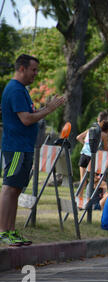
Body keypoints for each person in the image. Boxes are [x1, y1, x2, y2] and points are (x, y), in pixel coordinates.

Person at [0, 54, 65, 246]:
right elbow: (26, 119)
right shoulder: (15, 90)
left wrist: (44, 108)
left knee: (17, 189)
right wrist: (49, 109)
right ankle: (3, 231)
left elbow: (31, 114)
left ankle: (11, 230)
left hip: (24, 147)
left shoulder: (22, 90)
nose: (35, 74)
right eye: (33, 69)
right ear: (21, 68)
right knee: (9, 187)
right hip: (16, 148)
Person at [76, 116, 108, 198]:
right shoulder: (103, 135)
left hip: (84, 154)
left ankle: (79, 198)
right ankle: (91, 198)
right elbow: (105, 149)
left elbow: (78, 137)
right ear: (107, 129)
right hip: (92, 157)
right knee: (95, 180)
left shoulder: (90, 130)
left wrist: (85, 144)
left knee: (82, 180)